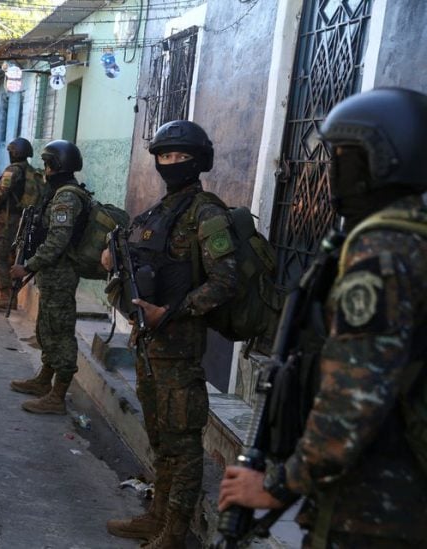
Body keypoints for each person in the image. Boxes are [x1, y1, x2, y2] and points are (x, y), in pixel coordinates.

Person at [218, 88, 427, 547]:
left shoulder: (382, 254)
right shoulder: (409, 238)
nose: (334, 171)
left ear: (382, 158)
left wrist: (277, 485)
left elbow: (354, 396)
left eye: (344, 156)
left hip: (378, 510)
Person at [103, 120, 238, 547]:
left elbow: (225, 281)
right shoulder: (158, 211)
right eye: (164, 156)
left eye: (180, 157)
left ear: (199, 161)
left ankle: (175, 530)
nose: (171, 164)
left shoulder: (207, 213)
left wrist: (172, 313)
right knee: (160, 435)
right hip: (147, 343)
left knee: (182, 442)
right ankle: (157, 515)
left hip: (178, 349)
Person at [8, 140, 85, 415]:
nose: (45, 169)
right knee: (48, 329)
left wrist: (28, 266)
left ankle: (57, 396)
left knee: (61, 333)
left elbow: (57, 241)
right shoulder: (59, 194)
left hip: (61, 275)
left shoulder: (66, 198)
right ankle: (44, 380)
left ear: (56, 165)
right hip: (53, 274)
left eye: (47, 163)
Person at [0, 137, 42, 311]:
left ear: (14, 153)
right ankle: (11, 296)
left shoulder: (12, 171)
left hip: (8, 221)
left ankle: (5, 295)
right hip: (24, 222)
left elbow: (0, 193)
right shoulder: (32, 172)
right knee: (12, 257)